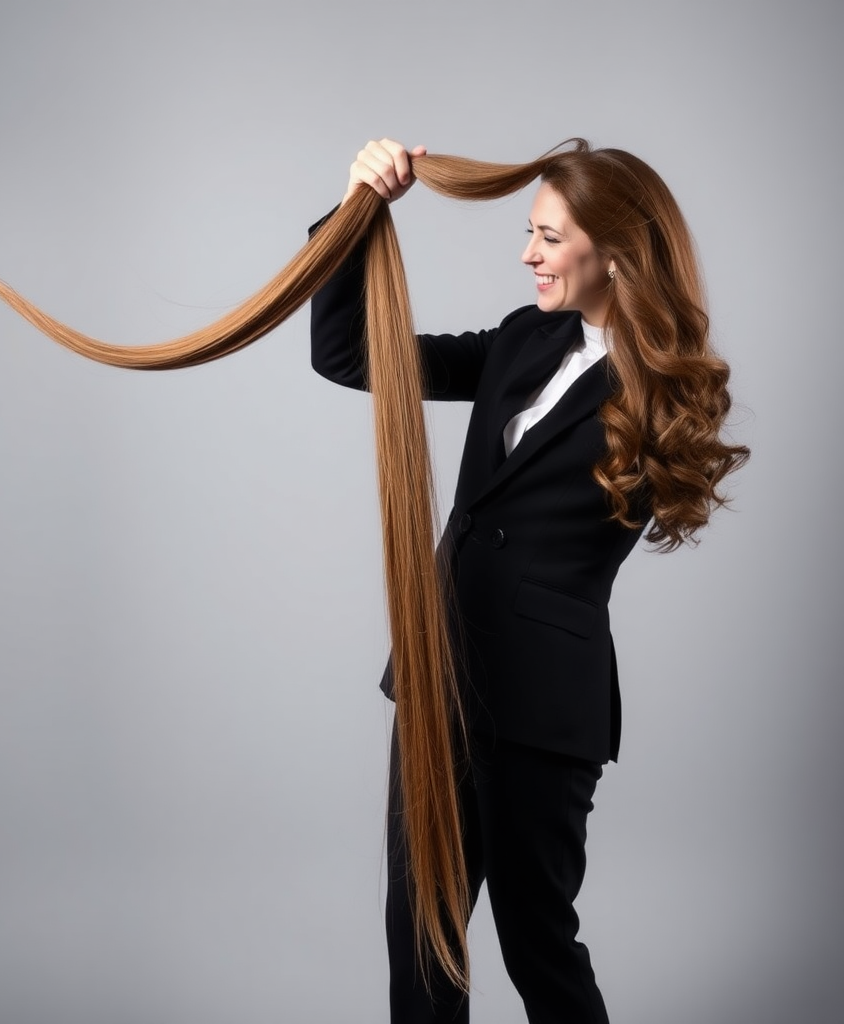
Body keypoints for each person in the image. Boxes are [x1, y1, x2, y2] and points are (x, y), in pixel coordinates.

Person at [309, 139, 748, 1023]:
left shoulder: (662, 393)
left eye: (548, 237)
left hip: (540, 707)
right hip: (440, 676)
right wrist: (356, 214)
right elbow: (353, 356)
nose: (528, 254)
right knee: (421, 931)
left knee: (534, 935)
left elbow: (636, 499)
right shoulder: (521, 338)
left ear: (616, 252)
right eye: (529, 232)